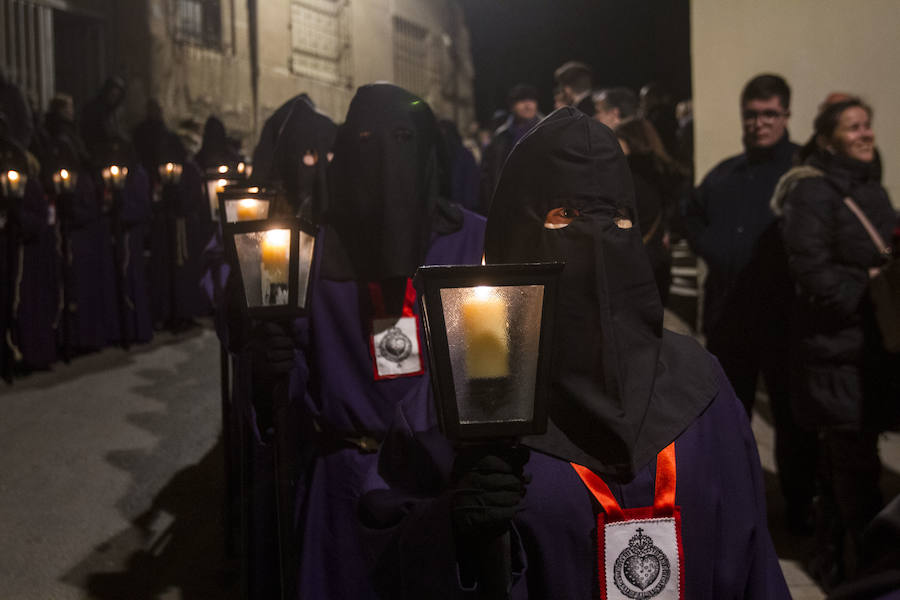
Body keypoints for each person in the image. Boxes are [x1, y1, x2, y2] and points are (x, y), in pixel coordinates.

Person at [359, 107, 790, 598]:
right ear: (515, 236)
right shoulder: (457, 401)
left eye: (618, 216)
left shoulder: (702, 388)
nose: (598, 237)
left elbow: (754, 560)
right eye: (566, 214)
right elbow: (385, 554)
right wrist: (449, 530)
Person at [246, 83, 486, 599]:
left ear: (425, 149)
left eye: (402, 138)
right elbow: (287, 390)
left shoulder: (474, 243)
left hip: (446, 486)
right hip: (344, 488)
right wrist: (270, 368)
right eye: (364, 139)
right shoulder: (307, 251)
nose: (382, 160)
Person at [682, 74, 817, 530]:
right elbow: (690, 215)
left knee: (792, 423)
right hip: (730, 320)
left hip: (784, 321)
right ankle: (737, 508)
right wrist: (713, 248)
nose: (759, 123)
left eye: (769, 114)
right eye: (752, 115)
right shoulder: (725, 174)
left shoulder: (802, 175)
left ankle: (799, 512)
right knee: (729, 420)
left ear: (786, 116)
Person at [776, 98, 898, 589]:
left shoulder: (869, 185)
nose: (866, 134)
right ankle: (858, 573)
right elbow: (811, 274)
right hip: (836, 355)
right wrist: (872, 285)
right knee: (854, 473)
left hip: (870, 350)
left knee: (850, 469)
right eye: (853, 128)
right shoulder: (811, 193)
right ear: (827, 139)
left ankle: (841, 559)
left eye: (868, 124)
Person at [615, 117, 682, 305]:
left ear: (631, 143)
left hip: (634, 263)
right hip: (658, 258)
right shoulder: (665, 173)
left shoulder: (628, 180)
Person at [478, 84, 542, 216]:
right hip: (509, 204)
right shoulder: (501, 136)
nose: (527, 105)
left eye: (531, 100)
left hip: (539, 203)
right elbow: (489, 172)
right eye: (522, 101)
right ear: (512, 106)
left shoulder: (549, 130)